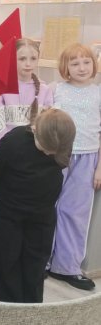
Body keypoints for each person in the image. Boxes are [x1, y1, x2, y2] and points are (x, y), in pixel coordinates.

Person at [0, 109, 76, 303]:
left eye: (53, 152)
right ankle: (9, 307)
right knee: (7, 259)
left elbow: (62, 164)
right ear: (35, 129)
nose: (48, 154)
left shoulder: (62, 140)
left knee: (36, 262)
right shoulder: (14, 141)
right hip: (10, 211)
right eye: (45, 149)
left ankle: (33, 307)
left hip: (43, 213)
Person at [47, 43, 101, 291]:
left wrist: (99, 168)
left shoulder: (98, 93)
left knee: (75, 214)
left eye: (86, 62)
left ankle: (67, 267)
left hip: (87, 158)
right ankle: (43, 261)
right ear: (65, 67)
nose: (82, 67)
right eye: (75, 63)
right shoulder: (55, 89)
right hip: (57, 157)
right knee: (48, 208)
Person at [0, 38, 53, 149]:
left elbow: (49, 126)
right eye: (22, 59)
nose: (28, 64)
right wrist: (4, 151)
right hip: (8, 151)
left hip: (37, 151)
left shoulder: (45, 90)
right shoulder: (3, 89)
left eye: (33, 58)